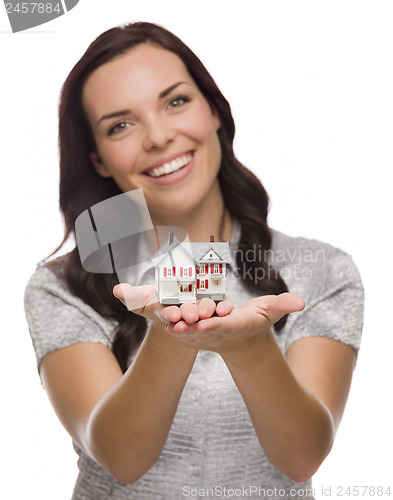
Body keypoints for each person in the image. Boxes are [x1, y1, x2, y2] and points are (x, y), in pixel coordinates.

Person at [24, 22, 364, 500]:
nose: (158, 136)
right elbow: (120, 457)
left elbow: (303, 455)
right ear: (98, 158)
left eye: (176, 101)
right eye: (120, 125)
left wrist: (251, 348)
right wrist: (170, 333)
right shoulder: (62, 287)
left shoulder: (323, 270)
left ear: (214, 111)